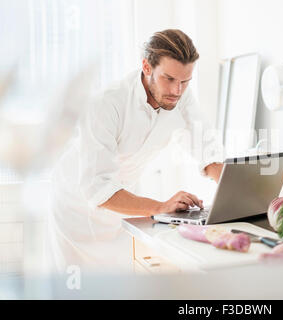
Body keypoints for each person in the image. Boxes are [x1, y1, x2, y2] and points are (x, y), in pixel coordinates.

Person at [47, 29, 224, 273]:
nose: (177, 90)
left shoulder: (180, 95)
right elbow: (97, 187)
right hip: (76, 207)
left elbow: (206, 146)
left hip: (125, 203)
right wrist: (161, 207)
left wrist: (232, 194)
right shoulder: (106, 104)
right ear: (146, 67)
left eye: (185, 81)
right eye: (169, 79)